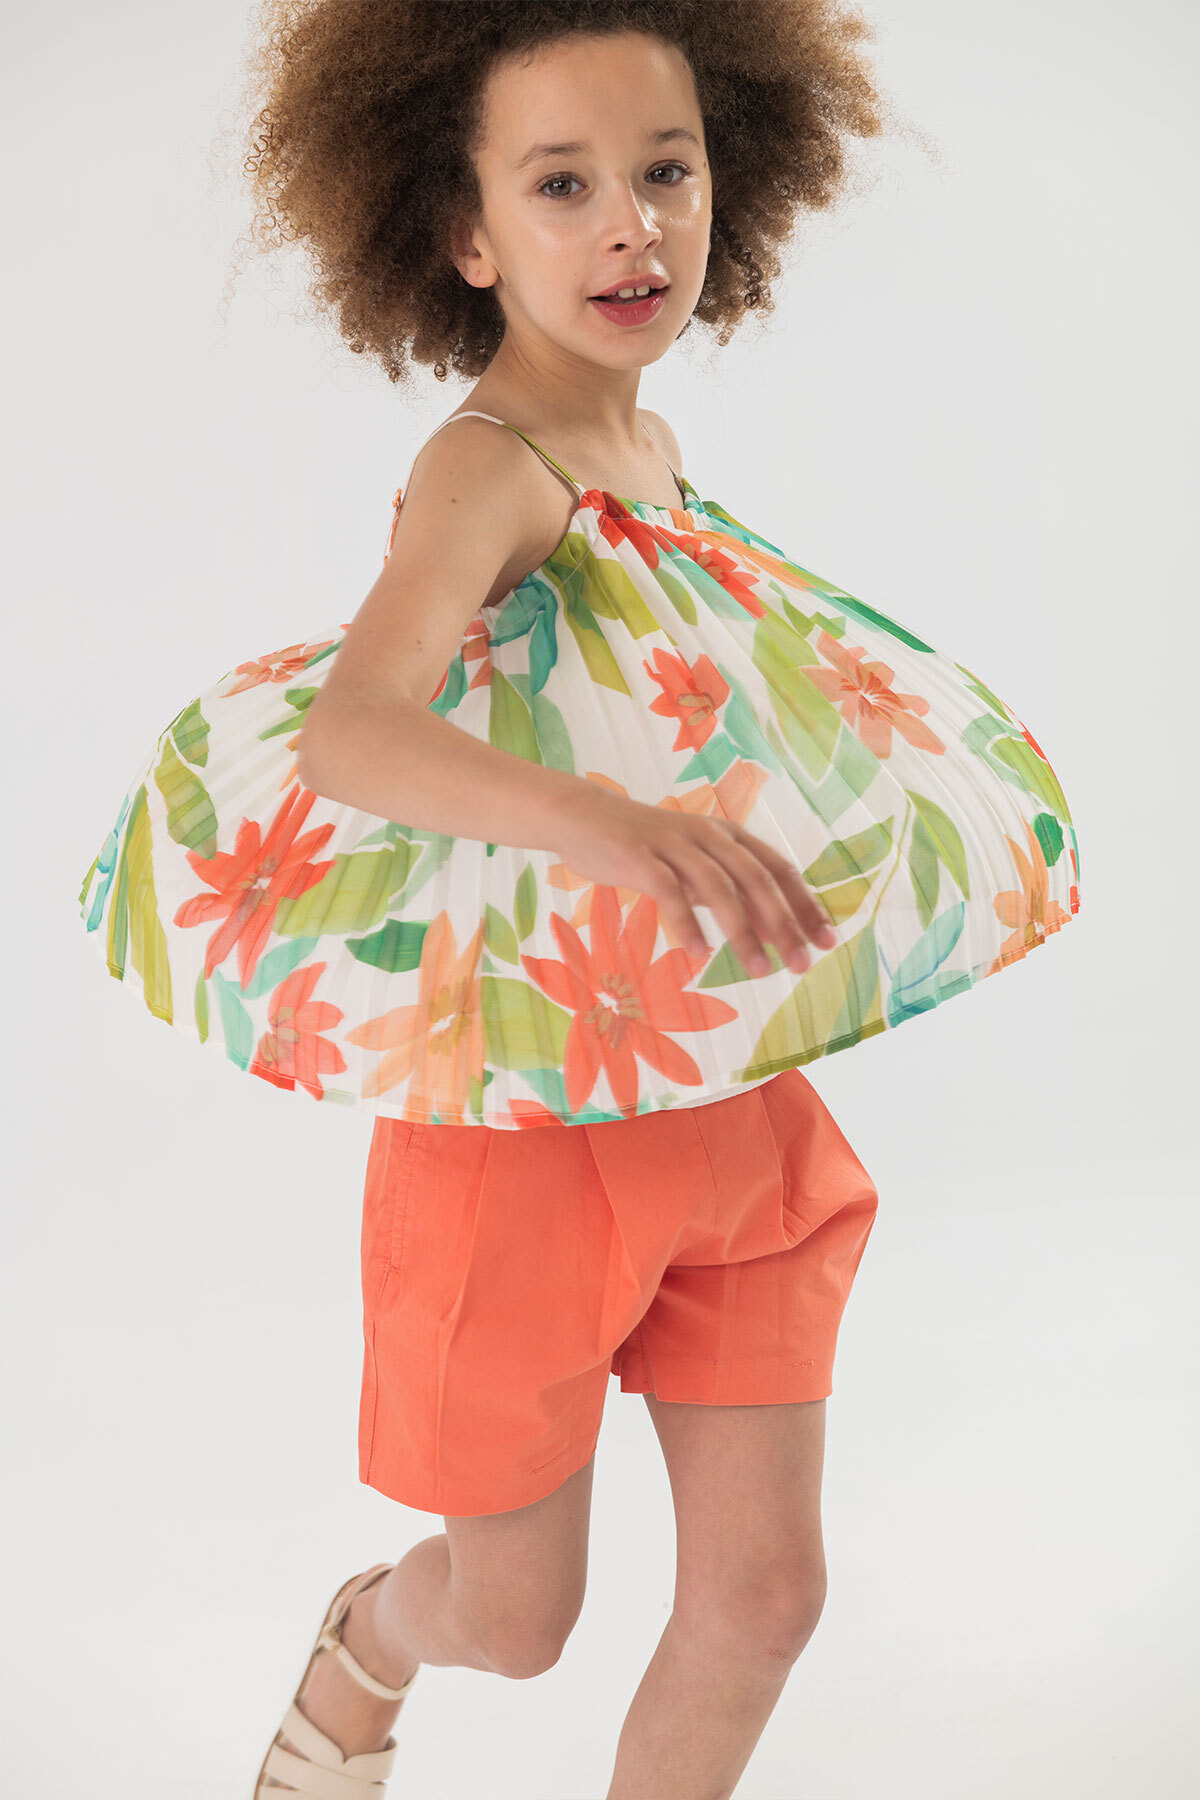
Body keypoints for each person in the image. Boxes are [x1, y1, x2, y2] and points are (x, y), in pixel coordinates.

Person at [74, 6, 1080, 1798]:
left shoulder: (654, 452)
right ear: (466, 236)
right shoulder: (488, 467)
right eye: (562, 186)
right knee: (520, 1616)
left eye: (664, 171)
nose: (631, 225)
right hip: (522, 1132)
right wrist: (601, 824)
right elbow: (355, 730)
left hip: (722, 1096)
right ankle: (370, 1639)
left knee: (765, 1599)